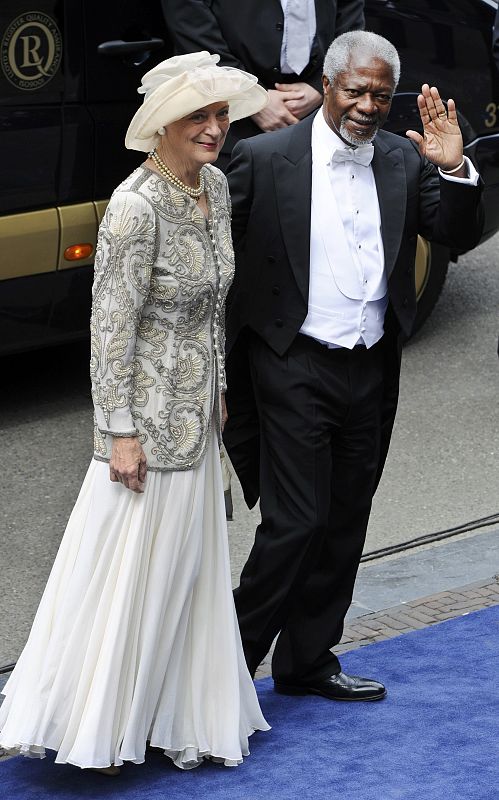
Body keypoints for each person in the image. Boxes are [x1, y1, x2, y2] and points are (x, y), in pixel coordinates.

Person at [0, 51, 269, 774]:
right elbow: (109, 329)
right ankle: (102, 726)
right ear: (162, 126)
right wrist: (118, 432)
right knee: (127, 580)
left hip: (196, 418)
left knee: (185, 573)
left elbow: (213, 304)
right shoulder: (134, 206)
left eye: (220, 115)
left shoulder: (213, 185)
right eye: (198, 117)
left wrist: (215, 395)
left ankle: (174, 712)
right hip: (144, 428)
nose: (214, 129)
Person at [223, 31, 483, 699]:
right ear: (326, 88)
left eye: (378, 93)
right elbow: (211, 268)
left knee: (344, 519)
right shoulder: (260, 158)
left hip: (369, 367)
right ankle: (220, 674)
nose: (366, 104)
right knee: (295, 523)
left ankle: (307, 661)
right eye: (354, 90)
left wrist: (453, 170)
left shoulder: (402, 159)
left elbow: (450, 230)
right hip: (289, 364)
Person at [161, 0, 365, 168]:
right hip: (225, 121)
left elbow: (350, 22)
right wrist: (250, 94)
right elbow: (191, 26)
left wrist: (322, 85)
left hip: (316, 120)